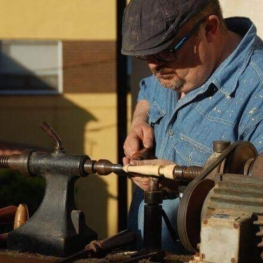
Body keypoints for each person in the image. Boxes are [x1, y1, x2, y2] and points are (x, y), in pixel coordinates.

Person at [121, 0, 263, 253]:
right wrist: (139, 121)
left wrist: (180, 180)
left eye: (165, 51)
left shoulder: (258, 93)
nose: (153, 66)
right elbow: (148, 89)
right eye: (146, 55)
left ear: (209, 29)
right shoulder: (171, 69)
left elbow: (256, 208)